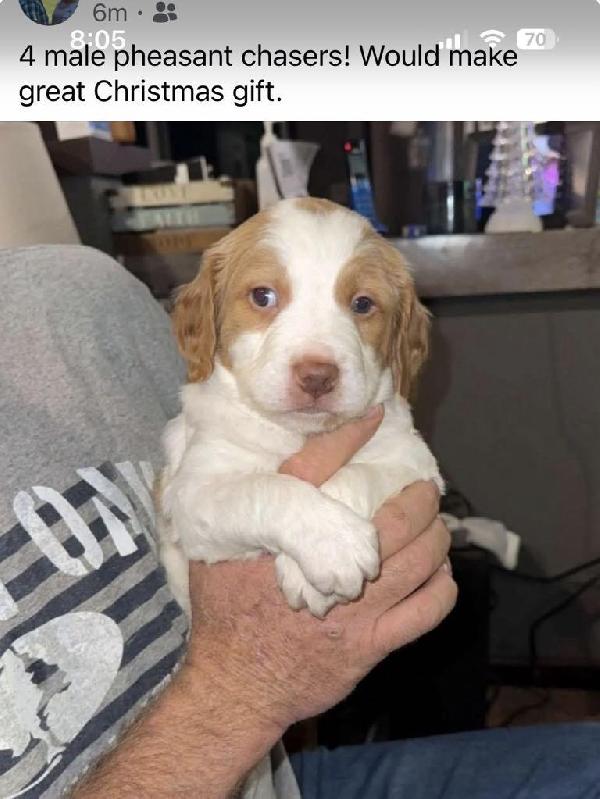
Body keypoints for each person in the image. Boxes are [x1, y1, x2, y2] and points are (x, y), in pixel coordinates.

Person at [1, 245, 598, 799]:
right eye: (264, 297)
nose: (315, 359)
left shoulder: (79, 292)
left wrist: (333, 504)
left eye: (361, 305)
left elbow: (415, 483)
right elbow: (202, 505)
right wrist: (250, 683)